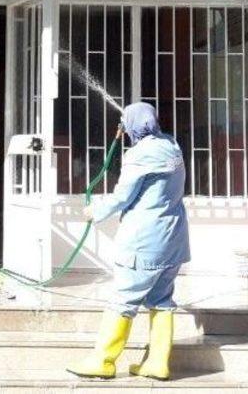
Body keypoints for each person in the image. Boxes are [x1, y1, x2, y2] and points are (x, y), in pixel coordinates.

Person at [66, 102, 190, 381]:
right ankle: (157, 363)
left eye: (125, 122)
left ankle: (103, 361)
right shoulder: (172, 145)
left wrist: (96, 211)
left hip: (144, 242)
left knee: (123, 298)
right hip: (172, 241)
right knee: (161, 300)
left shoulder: (139, 154)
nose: (122, 128)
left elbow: (123, 196)